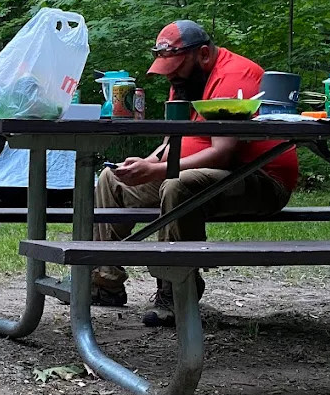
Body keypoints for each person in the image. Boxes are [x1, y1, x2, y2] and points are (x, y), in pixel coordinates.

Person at [92, 20, 298, 326]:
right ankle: (105, 282)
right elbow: (171, 142)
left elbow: (223, 153)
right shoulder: (185, 82)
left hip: (259, 179)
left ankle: (176, 292)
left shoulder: (232, 77)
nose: (171, 75)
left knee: (177, 185)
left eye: (176, 66)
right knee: (112, 180)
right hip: (209, 175)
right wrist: (144, 164)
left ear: (202, 54)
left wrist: (156, 170)